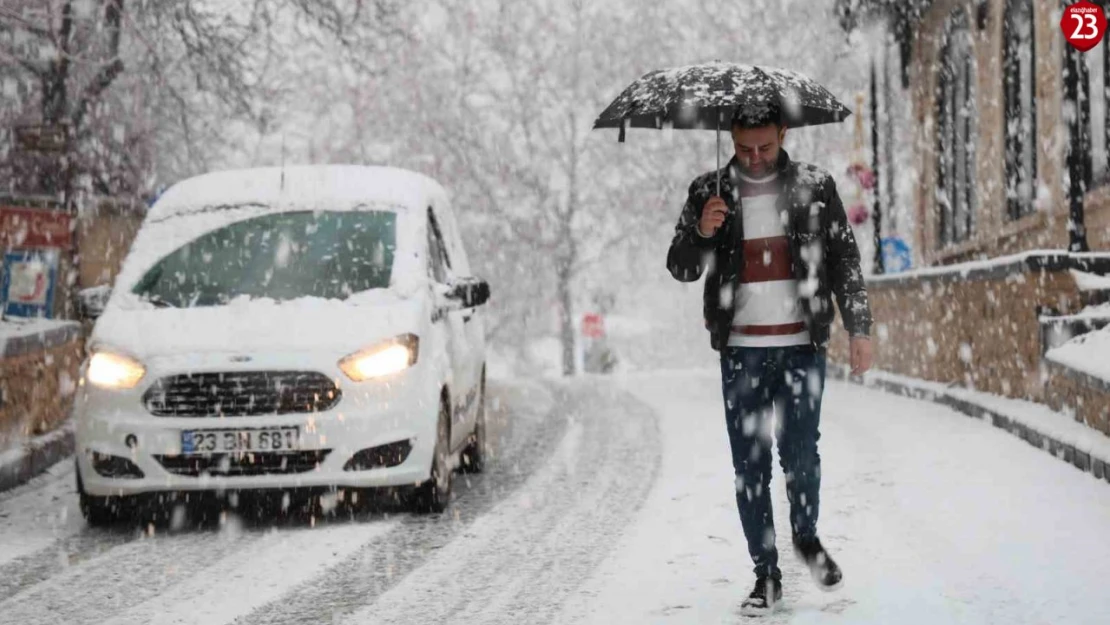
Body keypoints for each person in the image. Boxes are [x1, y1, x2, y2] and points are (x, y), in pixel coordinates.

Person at [666, 103, 874, 616]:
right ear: (730, 140)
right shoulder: (707, 192)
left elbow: (844, 257)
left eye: (765, 146)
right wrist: (702, 233)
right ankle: (767, 575)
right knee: (750, 466)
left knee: (801, 456)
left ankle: (805, 535)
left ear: (784, 133)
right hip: (741, 352)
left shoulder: (815, 186)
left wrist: (860, 327)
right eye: (743, 149)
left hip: (803, 346)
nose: (755, 158)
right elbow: (681, 266)